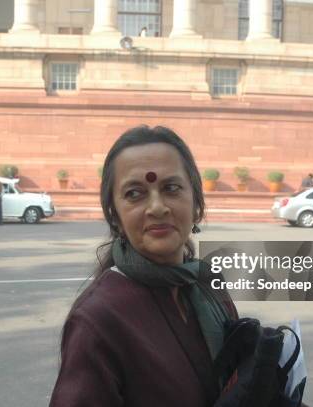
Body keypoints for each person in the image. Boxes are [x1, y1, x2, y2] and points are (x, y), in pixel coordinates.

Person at [50, 125, 239, 407]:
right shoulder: (98, 320)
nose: (157, 207)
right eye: (135, 194)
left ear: (197, 203)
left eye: (171, 188)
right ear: (114, 215)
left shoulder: (207, 283)